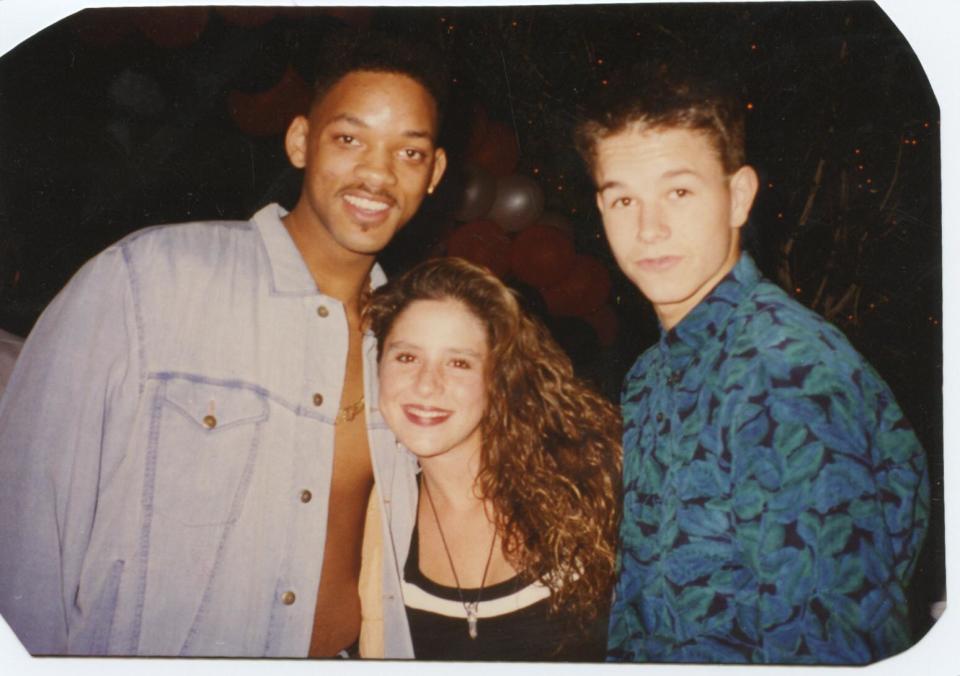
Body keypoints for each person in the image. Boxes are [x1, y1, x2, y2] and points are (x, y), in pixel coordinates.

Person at [0, 34, 447, 657]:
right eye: (349, 139)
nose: (377, 172)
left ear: (434, 174)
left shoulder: (411, 353)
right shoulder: (151, 276)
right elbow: (23, 520)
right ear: (299, 142)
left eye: (409, 152)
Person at [574, 61, 930, 664]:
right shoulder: (650, 374)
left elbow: (835, 648)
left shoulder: (787, 376)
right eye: (623, 199)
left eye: (679, 192)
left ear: (738, 196)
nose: (649, 228)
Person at [364, 256, 622, 660]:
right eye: (407, 357)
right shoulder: (374, 530)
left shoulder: (590, 488)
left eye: (459, 363)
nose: (427, 386)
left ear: (499, 377)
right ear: (377, 367)